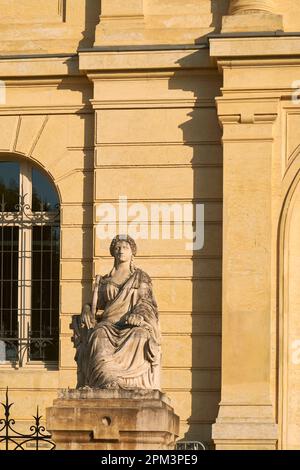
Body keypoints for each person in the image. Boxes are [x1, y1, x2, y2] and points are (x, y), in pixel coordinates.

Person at [74, 234, 161, 390]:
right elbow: (94, 304)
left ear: (132, 252)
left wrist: (138, 316)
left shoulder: (140, 277)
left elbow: (147, 303)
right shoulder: (105, 280)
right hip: (108, 325)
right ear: (113, 252)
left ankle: (129, 382)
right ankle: (106, 381)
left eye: (125, 247)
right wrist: (86, 309)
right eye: (117, 248)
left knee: (140, 335)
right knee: (98, 335)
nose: (121, 250)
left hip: (130, 325)